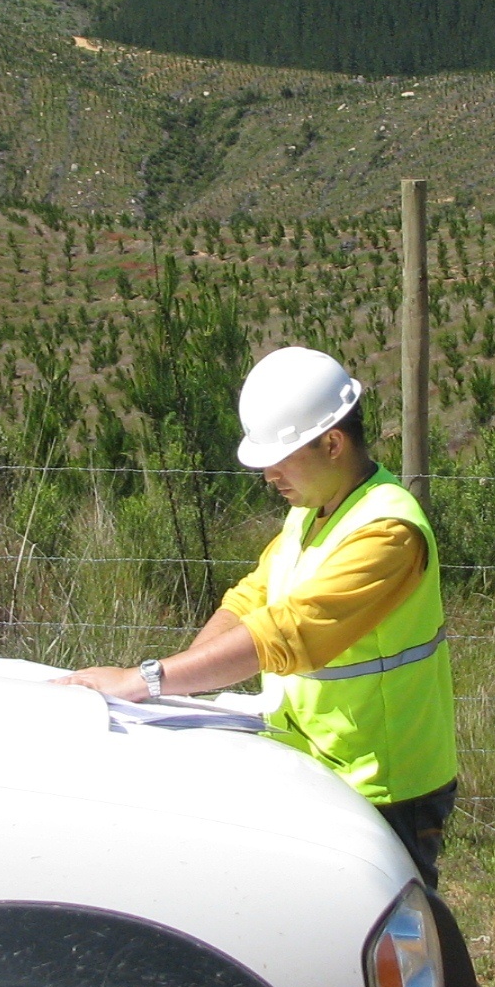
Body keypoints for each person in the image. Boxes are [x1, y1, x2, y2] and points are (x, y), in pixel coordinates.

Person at [59, 347, 459, 888]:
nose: (269, 475)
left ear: (332, 443)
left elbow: (286, 634)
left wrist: (144, 680)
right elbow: (251, 599)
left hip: (385, 785)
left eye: (281, 458)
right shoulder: (311, 512)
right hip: (319, 766)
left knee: (391, 926)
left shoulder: (387, 532)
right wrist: (181, 683)